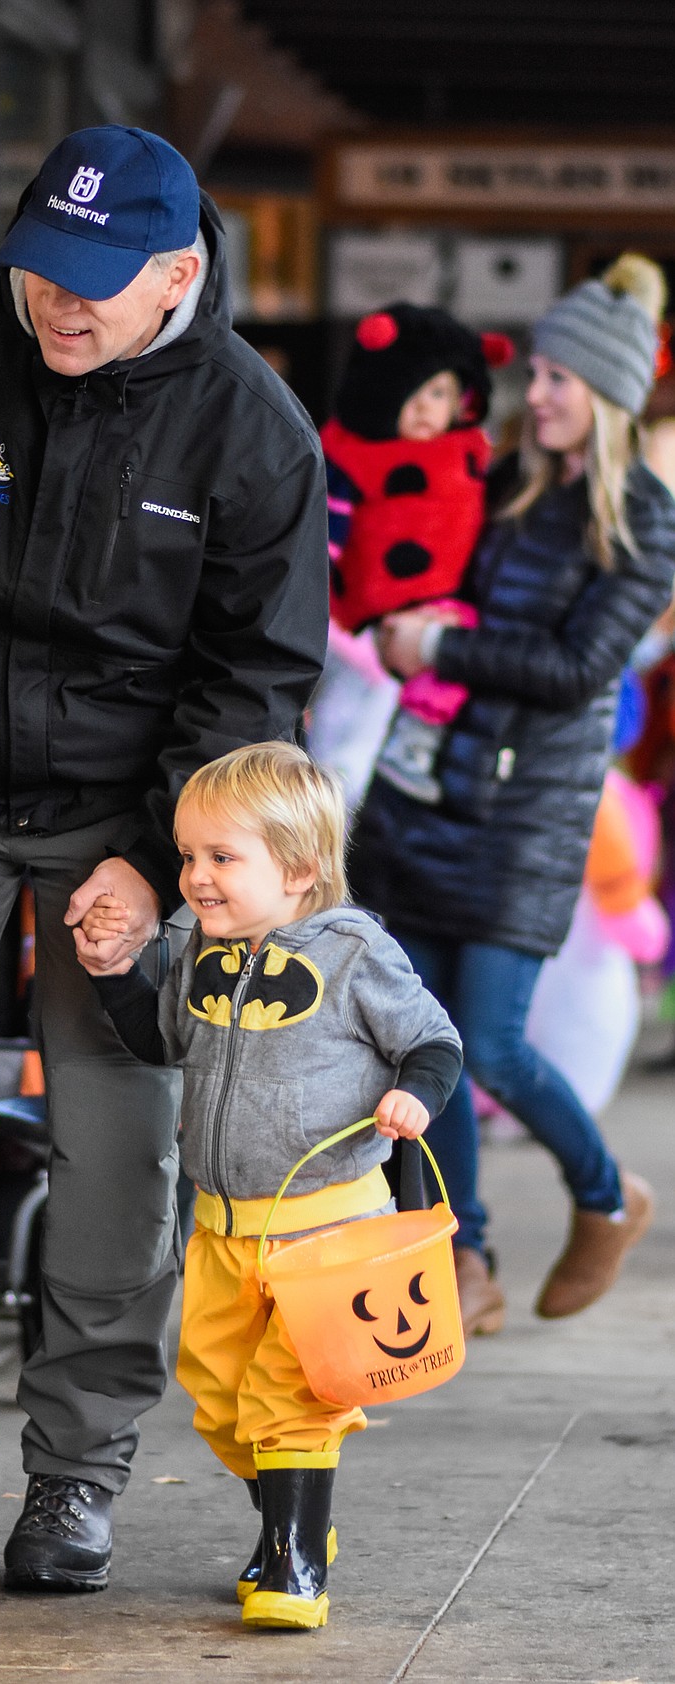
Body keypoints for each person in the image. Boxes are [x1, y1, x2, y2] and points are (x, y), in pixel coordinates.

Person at [0, 125, 329, 1592]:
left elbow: (259, 676)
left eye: (97, 283)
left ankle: (78, 1471)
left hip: (130, 812)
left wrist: (164, 863)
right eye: (41, 270)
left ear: (178, 270)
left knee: (121, 1154)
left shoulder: (250, 430)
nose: (60, 305)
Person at [350, 253, 675, 1336]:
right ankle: (465, 1257)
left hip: (523, 817)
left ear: (610, 393)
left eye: (557, 379)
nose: (533, 394)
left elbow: (580, 668)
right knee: (430, 1043)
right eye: (534, 374)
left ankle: (605, 1193)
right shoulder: (504, 488)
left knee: (490, 1044)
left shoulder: (643, 520)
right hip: (428, 791)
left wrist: (446, 638)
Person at [76, 742, 462, 1629]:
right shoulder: (205, 952)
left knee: (290, 1399)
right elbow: (161, 1042)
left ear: (299, 870)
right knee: (220, 1401)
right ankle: (301, 1519)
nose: (196, 878)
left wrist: (414, 1094)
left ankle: (293, 1565)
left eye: (222, 858)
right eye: (188, 856)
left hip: (329, 1231)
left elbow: (433, 1041)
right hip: (220, 1228)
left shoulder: (355, 949)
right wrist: (111, 978)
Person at [322, 304, 513, 803]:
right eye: (417, 391)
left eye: (442, 393)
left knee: (433, 693)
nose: (428, 407)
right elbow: (328, 526)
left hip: (439, 611)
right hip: (354, 625)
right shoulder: (354, 455)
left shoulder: (469, 452)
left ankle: (413, 747)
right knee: (341, 740)